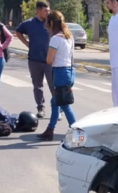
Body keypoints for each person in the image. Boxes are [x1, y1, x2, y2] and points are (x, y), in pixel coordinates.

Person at [36, 10, 77, 141]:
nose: (47, 27)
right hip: (69, 71)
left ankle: (77, 133)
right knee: (55, 102)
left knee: (64, 104)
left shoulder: (55, 39)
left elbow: (49, 60)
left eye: (48, 24)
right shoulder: (69, 37)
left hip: (60, 72)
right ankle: (50, 130)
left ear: (52, 23)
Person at [16, 1, 55, 119]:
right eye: (45, 10)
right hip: (34, 60)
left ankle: (58, 108)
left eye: (48, 10)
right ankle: (40, 107)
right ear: (38, 11)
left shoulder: (52, 23)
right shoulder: (29, 23)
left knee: (53, 86)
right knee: (37, 86)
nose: (48, 12)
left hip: (50, 61)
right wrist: (26, 43)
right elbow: (18, 31)